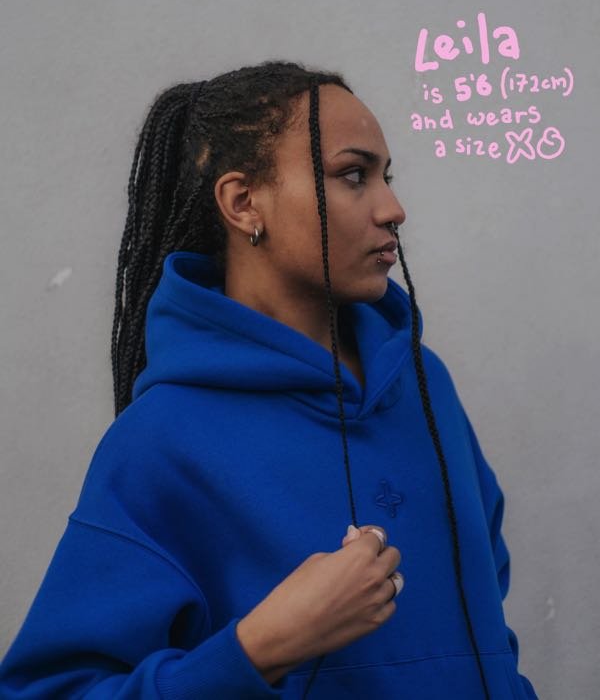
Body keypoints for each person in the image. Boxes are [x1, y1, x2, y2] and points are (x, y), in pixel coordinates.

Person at [0, 61, 538, 698]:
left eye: (386, 177)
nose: (393, 209)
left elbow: (484, 605)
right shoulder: (161, 440)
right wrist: (261, 647)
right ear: (243, 202)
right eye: (353, 175)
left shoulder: (424, 385)